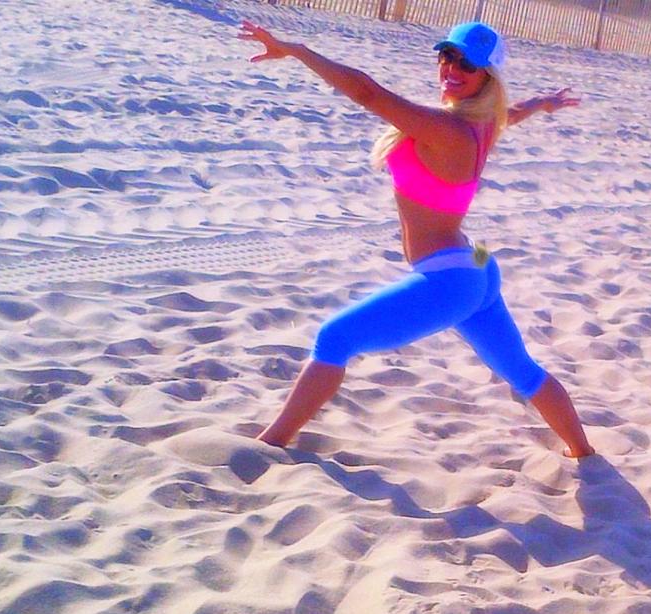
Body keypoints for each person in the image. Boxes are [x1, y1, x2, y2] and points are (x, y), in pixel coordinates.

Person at [238, 19, 595, 458]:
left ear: (487, 77)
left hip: (452, 279)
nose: (453, 68)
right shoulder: (481, 121)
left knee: (334, 338)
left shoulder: (450, 130)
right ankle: (583, 452)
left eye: (468, 64)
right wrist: (541, 103)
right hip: (477, 265)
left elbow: (368, 94)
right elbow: (512, 114)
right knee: (522, 371)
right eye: (447, 55)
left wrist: (297, 51)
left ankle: (270, 444)